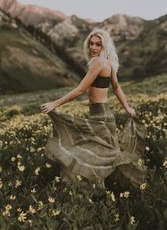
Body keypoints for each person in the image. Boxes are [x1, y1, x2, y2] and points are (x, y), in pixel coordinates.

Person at [41, 28, 147, 193]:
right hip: (104, 115)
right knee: (105, 156)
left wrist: (55, 103)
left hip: (101, 117)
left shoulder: (98, 63)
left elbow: (80, 90)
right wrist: (127, 108)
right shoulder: (108, 62)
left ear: (104, 45)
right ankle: (116, 190)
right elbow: (117, 87)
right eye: (91, 43)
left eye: (98, 44)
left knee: (90, 154)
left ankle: (98, 192)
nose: (93, 47)